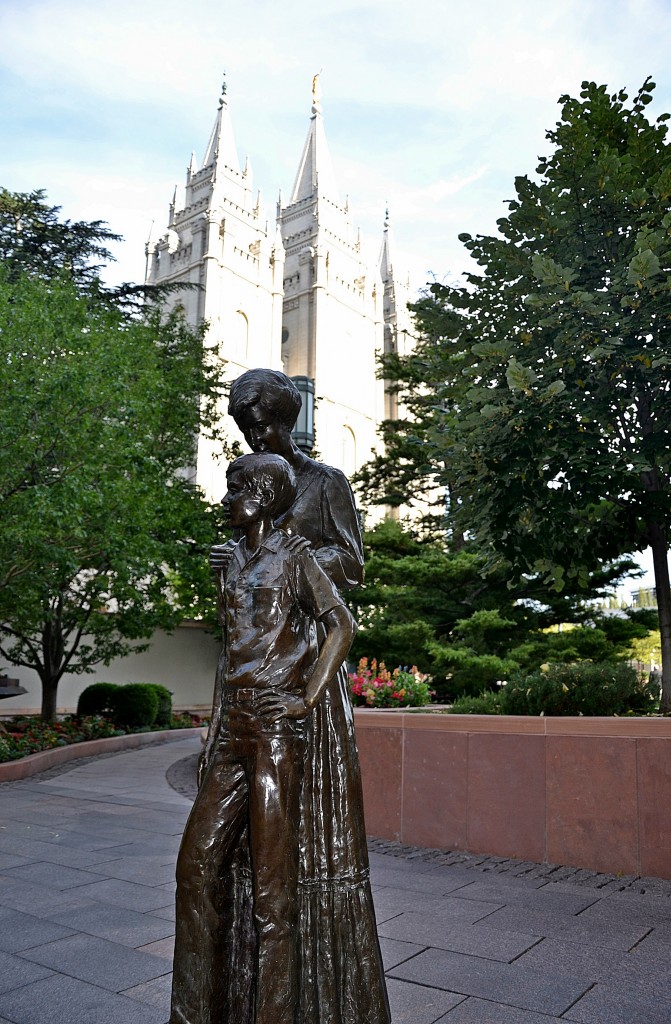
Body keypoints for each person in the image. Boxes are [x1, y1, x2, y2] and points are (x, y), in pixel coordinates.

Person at [194, 368, 391, 1024]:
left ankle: (316, 996)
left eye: (262, 426)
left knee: (303, 847)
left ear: (286, 419)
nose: (254, 437)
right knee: (222, 858)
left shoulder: (324, 482)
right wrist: (237, 559)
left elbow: (353, 562)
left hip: (306, 677)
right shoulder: (248, 482)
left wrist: (297, 560)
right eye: (245, 429)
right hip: (250, 678)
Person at [171, 452, 357, 1024]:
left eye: (234, 489)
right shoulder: (230, 562)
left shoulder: (296, 557)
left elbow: (342, 626)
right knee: (195, 869)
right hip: (232, 729)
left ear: (264, 495)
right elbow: (230, 650)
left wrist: (305, 698)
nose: (225, 499)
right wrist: (213, 731)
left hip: (274, 731)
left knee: (274, 894)